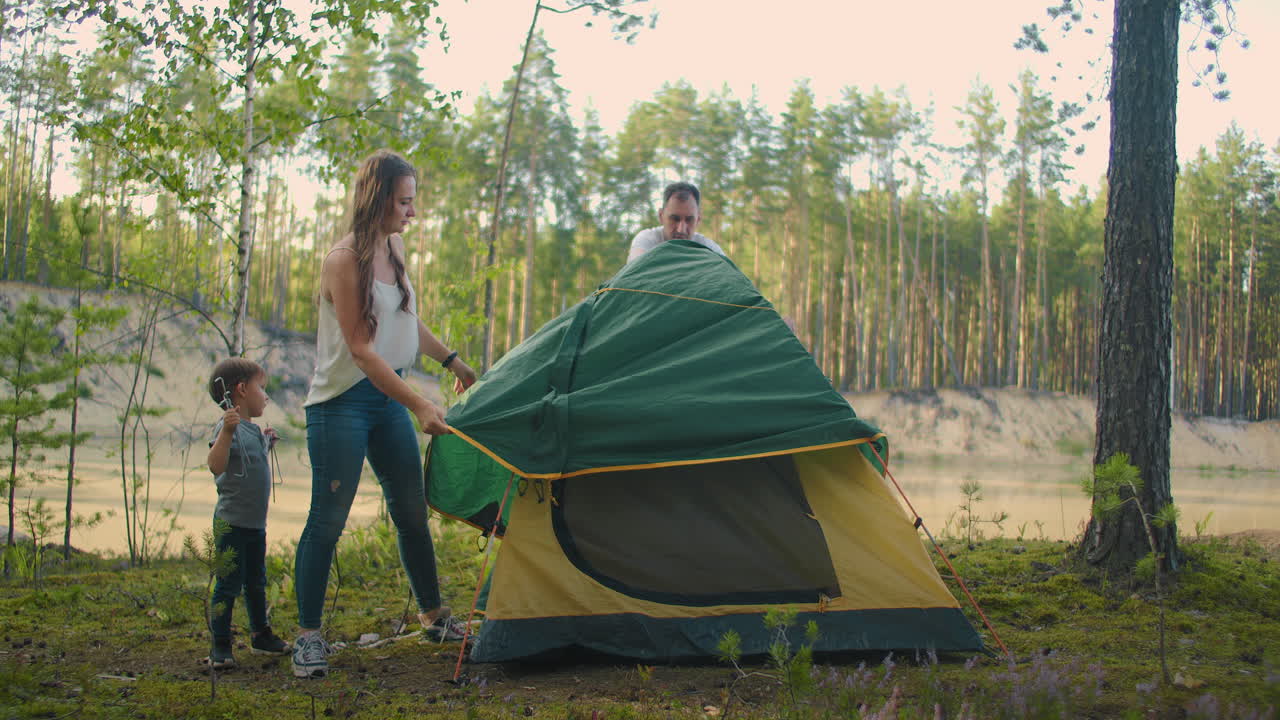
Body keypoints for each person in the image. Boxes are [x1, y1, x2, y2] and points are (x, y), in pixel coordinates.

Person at [291, 149, 478, 679]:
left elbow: (406, 320)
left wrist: (452, 361)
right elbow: (362, 351)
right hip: (341, 405)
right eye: (404, 202)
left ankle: (434, 616)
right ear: (377, 199)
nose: (412, 212)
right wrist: (419, 402)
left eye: (413, 201)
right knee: (327, 520)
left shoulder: (393, 247)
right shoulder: (342, 260)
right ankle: (307, 638)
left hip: (386, 399)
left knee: (411, 511)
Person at [205, 357, 291, 669]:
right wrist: (227, 433)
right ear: (241, 390)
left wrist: (266, 444)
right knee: (227, 585)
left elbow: (249, 462)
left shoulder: (252, 430)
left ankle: (260, 635)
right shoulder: (227, 427)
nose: (266, 396)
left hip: (255, 525)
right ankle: (220, 644)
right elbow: (216, 465)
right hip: (231, 524)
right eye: (261, 388)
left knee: (256, 581)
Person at [626, 181, 727, 263]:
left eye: (689, 220)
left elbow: (729, 274)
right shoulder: (647, 241)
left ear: (698, 220)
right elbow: (635, 270)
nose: (681, 229)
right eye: (675, 219)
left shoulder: (708, 249)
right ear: (661, 216)